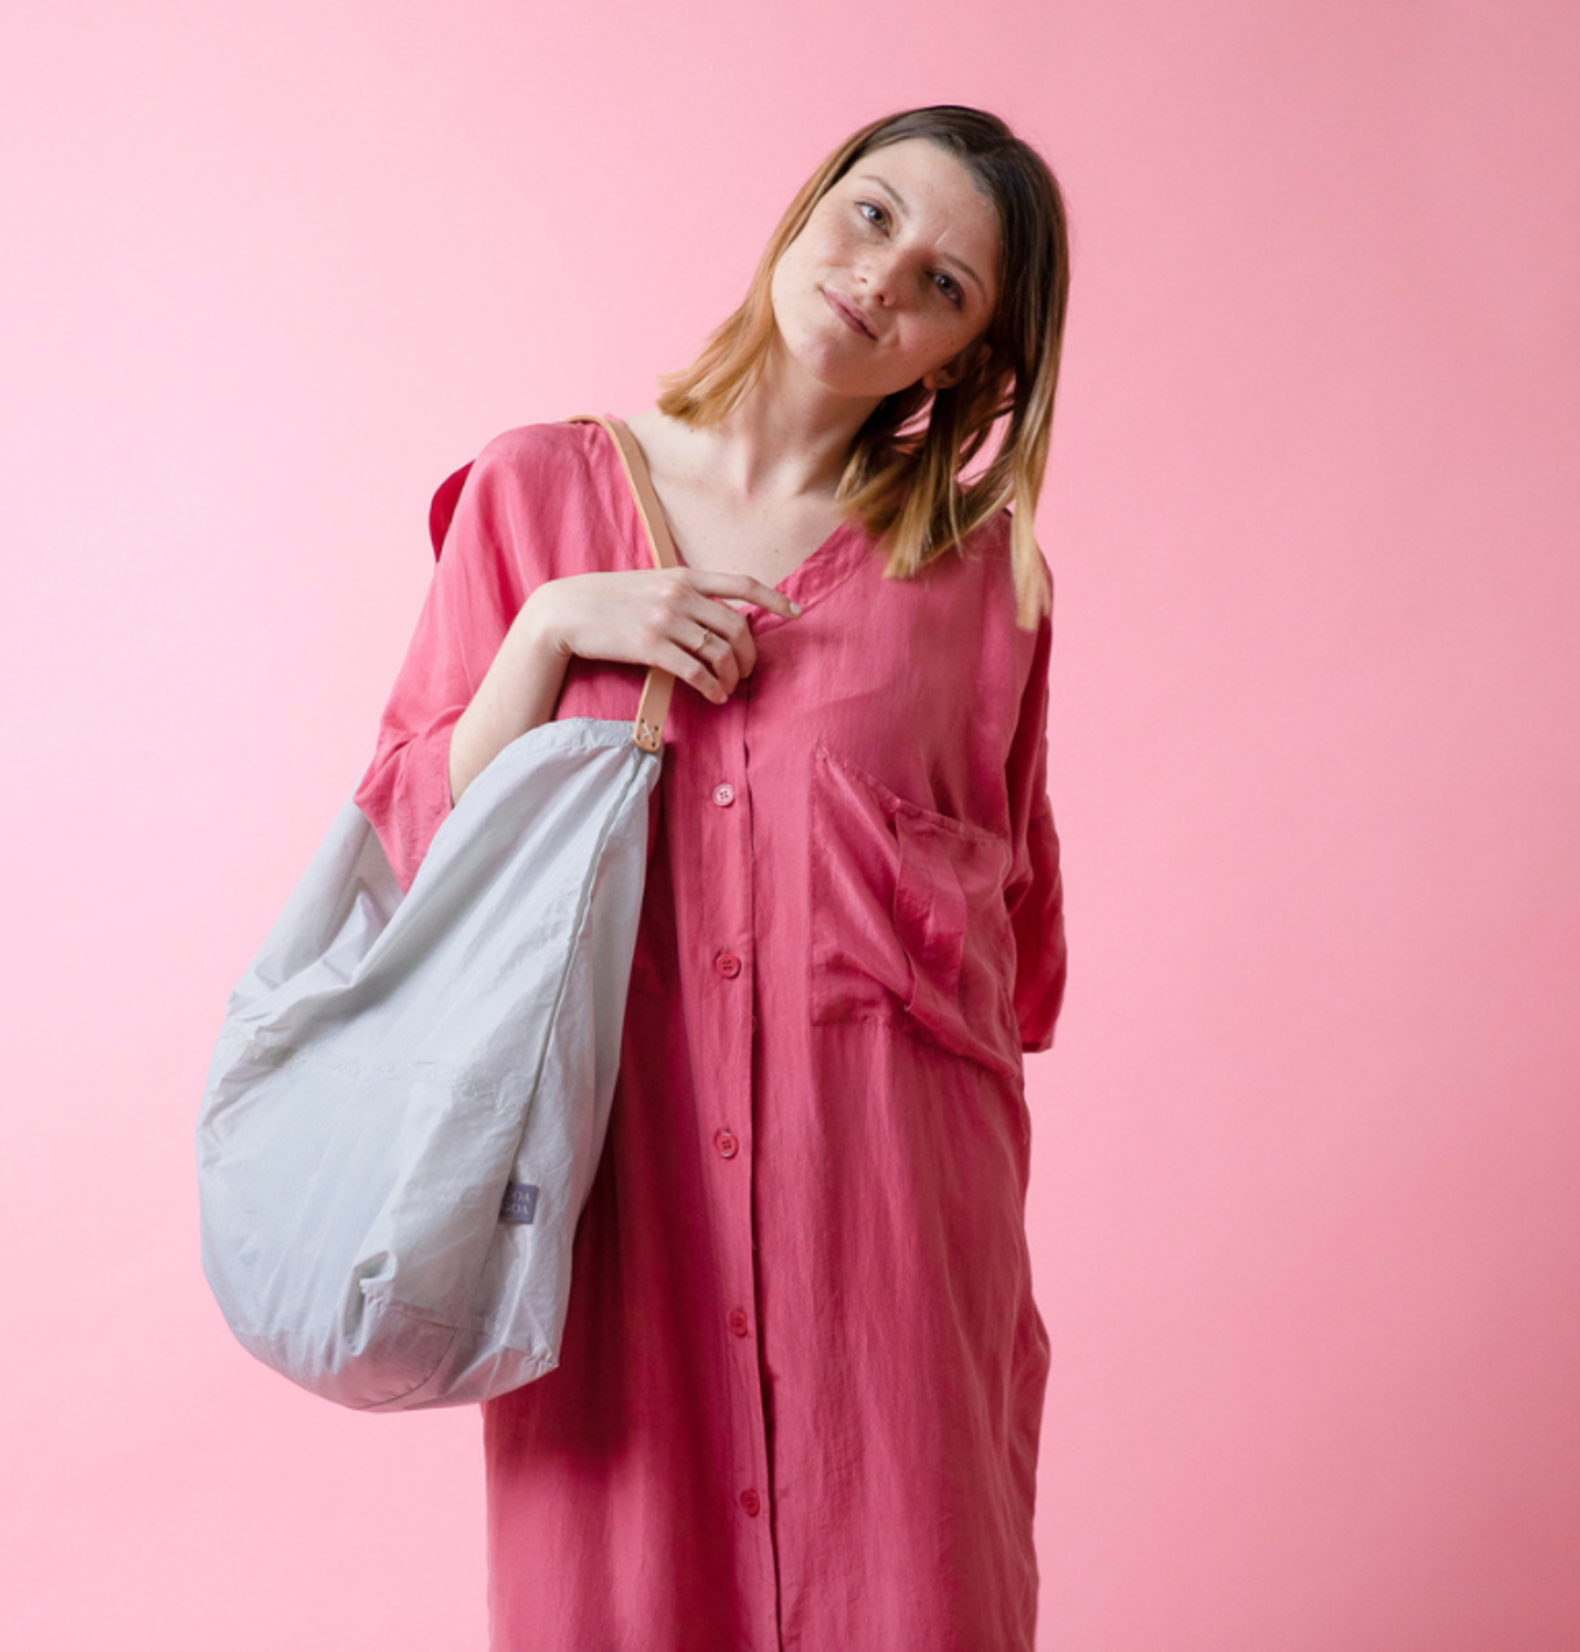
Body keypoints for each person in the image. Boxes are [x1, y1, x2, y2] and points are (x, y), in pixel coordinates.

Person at [356, 104, 1069, 1652]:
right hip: (622, 1251)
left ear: (962, 363)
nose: (885, 279)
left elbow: (1013, 974)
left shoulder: (982, 589)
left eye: (946, 285)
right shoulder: (537, 498)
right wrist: (550, 632)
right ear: (810, 205)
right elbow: (413, 849)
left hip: (888, 1275)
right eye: (875, 217)